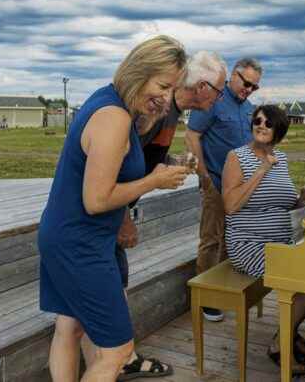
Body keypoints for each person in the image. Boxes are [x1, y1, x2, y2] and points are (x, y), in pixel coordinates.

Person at [38, 35, 191, 382]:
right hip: (81, 243)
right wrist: (154, 180)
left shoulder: (108, 101)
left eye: (173, 89)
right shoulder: (113, 117)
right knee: (119, 351)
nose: (167, 97)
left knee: (70, 328)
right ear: (140, 72)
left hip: (65, 235)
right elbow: (96, 200)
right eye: (163, 85)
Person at [96, 50, 227, 380]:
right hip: (106, 214)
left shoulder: (171, 116)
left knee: (116, 281)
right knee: (110, 286)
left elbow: (145, 160)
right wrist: (123, 218)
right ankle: (118, 358)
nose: (221, 98)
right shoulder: (153, 113)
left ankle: (119, 358)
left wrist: (170, 165)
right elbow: (118, 170)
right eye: (219, 90)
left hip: (115, 210)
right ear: (201, 86)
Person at [221, 105, 305, 376]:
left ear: (278, 129)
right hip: (249, 244)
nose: (261, 125)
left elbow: (281, 204)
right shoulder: (237, 157)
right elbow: (231, 206)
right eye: (257, 120)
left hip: (283, 241)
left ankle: (287, 333)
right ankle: (280, 345)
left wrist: (301, 200)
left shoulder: (281, 157)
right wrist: (260, 169)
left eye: (268, 123)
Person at [185, 57, 262, 322]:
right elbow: (192, 135)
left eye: (254, 87)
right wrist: (204, 175)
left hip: (239, 189)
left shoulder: (250, 109)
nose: (249, 89)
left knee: (232, 240)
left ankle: (225, 290)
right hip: (216, 183)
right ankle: (206, 299)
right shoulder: (213, 100)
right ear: (234, 75)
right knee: (211, 240)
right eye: (247, 83)